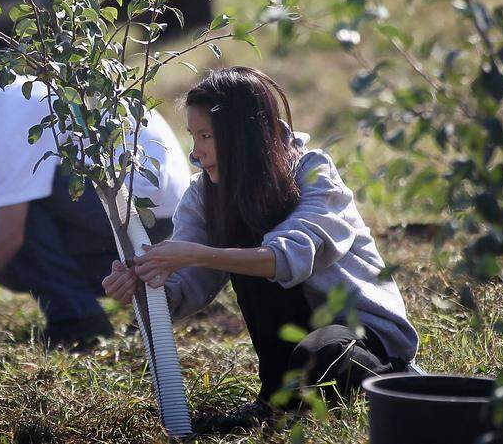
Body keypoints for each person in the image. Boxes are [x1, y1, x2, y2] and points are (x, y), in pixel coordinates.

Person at [102, 66, 418, 432]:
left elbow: (289, 256)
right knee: (251, 266)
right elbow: (191, 282)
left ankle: (395, 383)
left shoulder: (313, 172)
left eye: (206, 136)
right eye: (193, 136)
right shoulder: (204, 193)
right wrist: (145, 287)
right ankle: (276, 400)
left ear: (244, 135)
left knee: (323, 354)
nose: (196, 153)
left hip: (361, 336)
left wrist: (194, 253)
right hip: (296, 341)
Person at [0, 22, 193, 346]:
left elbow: (9, 234)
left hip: (147, 223)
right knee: (6, 259)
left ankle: (79, 323)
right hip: (159, 223)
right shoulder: (19, 94)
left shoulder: (11, 108)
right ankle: (138, 292)